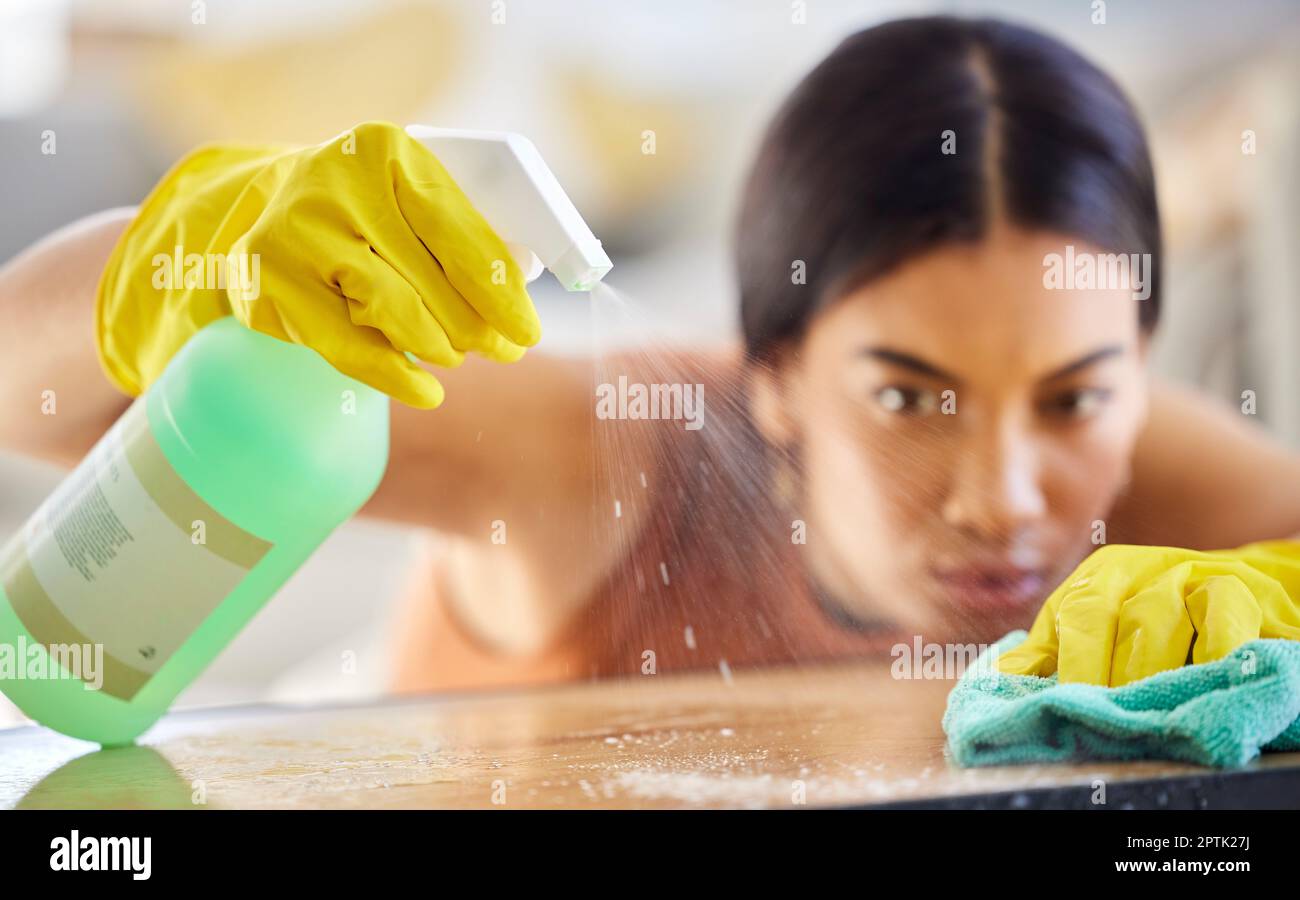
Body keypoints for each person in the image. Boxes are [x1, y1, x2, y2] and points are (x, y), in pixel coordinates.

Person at [2, 17, 1298, 694]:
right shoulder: (602, 456)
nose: (1006, 499)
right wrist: (183, 260)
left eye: (1078, 397)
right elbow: (28, 401)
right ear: (773, 375)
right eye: (911, 395)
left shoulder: (1139, 468)